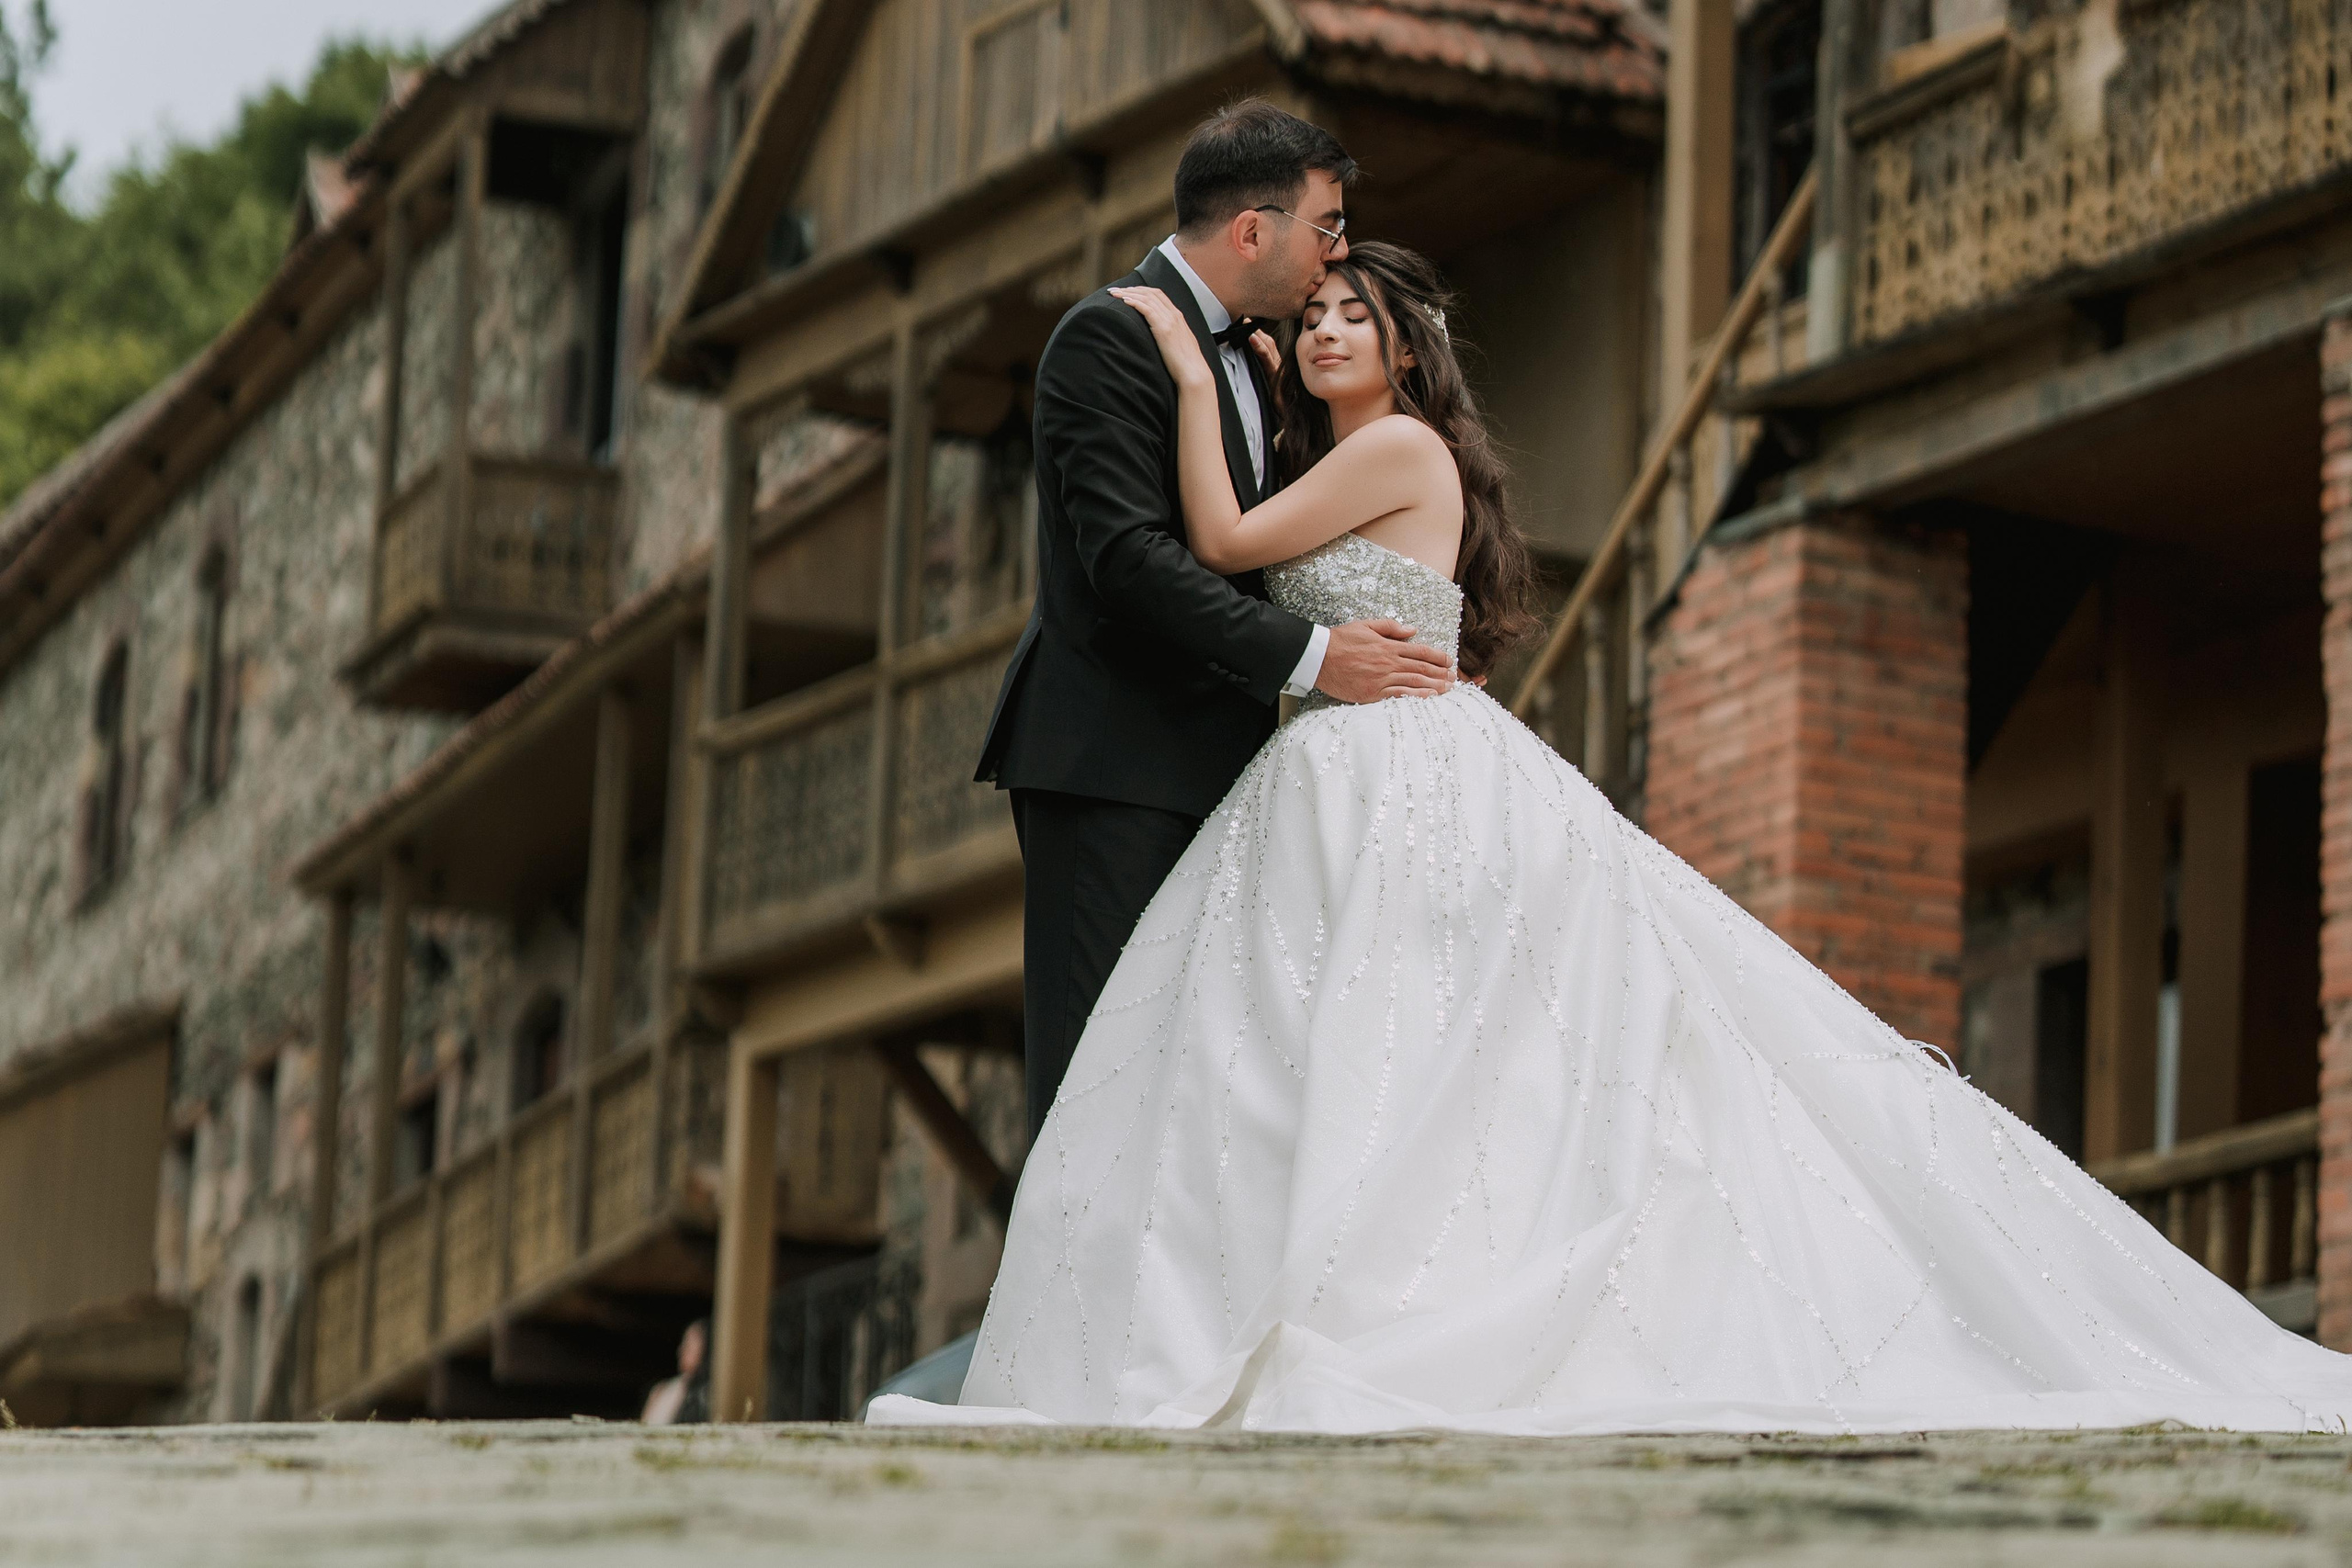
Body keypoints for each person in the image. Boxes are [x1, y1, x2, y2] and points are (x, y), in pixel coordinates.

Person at [874, 241, 2352, 1435]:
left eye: (1355, 315)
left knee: (1426, 1043)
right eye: (1313, 313)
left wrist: (1194, 380)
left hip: (1396, 771)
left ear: (1404, 348)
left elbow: (1224, 547)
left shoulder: (1395, 450)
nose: (1326, 331)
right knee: (1354, 1052)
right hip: (1330, 771)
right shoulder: (1334, 455)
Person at [975, 99, 1454, 1145]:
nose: (1333, 256)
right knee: (1097, 1083)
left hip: (1237, 779)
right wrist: (1322, 657)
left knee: (1200, 1101)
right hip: (1113, 767)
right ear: (1253, 231)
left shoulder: (1268, 367)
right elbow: (1130, 564)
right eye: (1326, 229)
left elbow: (1263, 538)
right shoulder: (1111, 336)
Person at [639, 1318, 710, 1426]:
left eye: (689, 1345)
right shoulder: (662, 1389)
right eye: (684, 1343)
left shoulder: (707, 1394)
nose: (681, 1350)